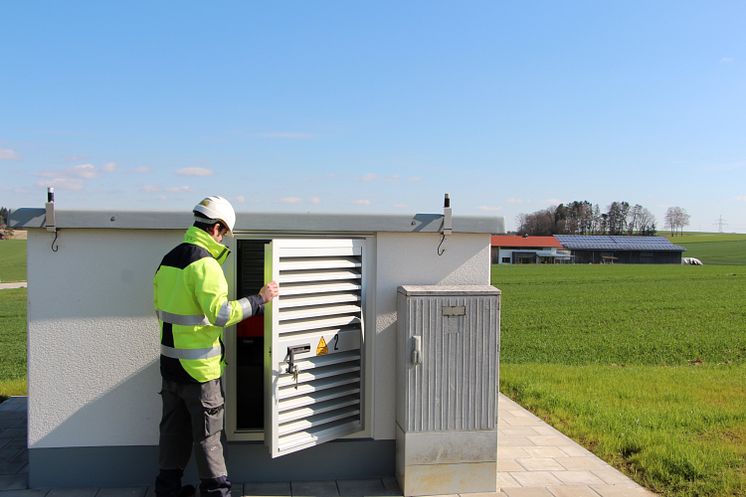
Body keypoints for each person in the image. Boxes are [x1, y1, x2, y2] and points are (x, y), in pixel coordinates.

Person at [153, 196, 278, 497]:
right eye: (225, 233)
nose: (224, 238)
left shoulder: (168, 260)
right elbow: (220, 314)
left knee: (173, 432)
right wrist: (259, 300)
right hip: (199, 371)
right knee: (208, 438)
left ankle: (167, 491)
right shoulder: (206, 265)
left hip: (170, 366)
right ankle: (217, 493)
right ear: (217, 228)